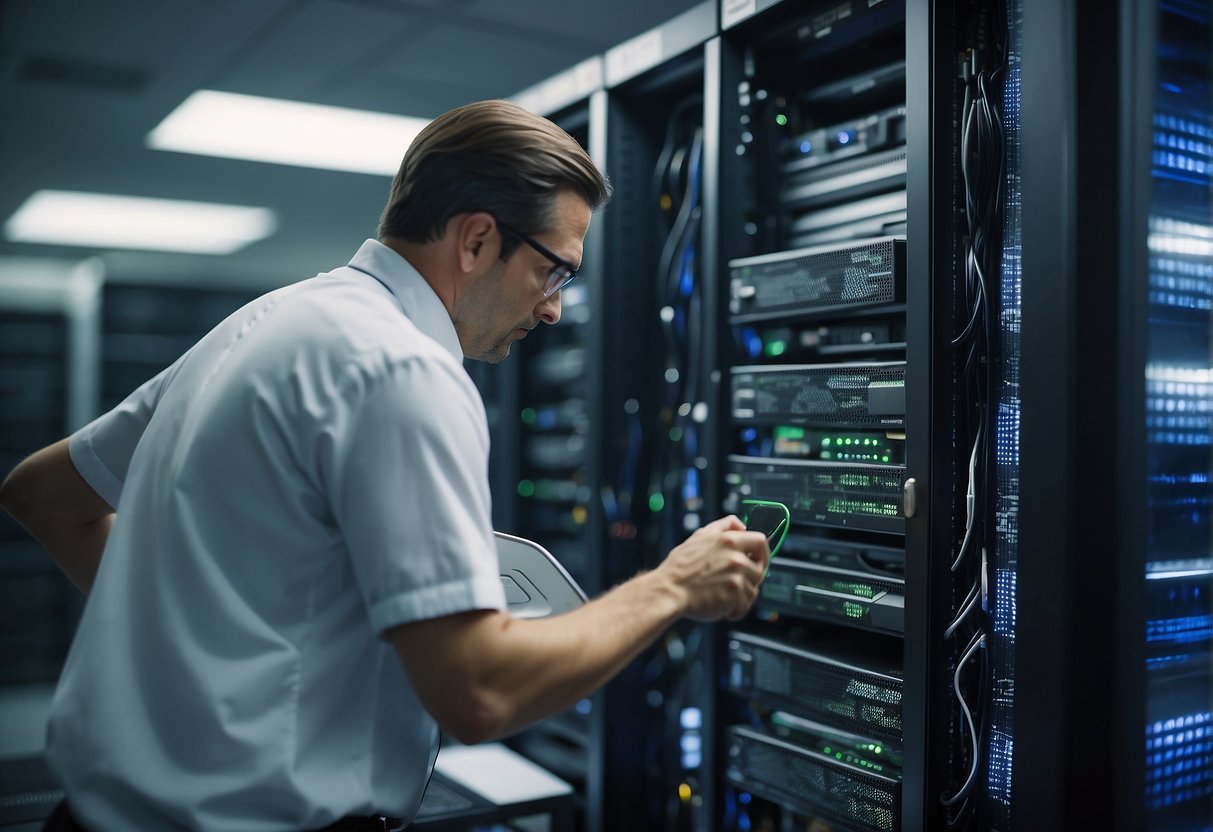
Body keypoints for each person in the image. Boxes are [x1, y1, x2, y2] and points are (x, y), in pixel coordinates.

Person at [0, 99, 770, 832]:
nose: (552, 307)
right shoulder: (404, 371)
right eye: (554, 271)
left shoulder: (268, 321)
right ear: (474, 241)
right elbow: (477, 691)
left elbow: (41, 494)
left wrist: (199, 644)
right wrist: (675, 586)